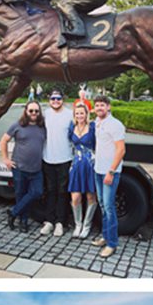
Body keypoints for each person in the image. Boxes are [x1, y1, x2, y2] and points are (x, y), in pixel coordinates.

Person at [0, 101, 46, 233]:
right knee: (20, 195)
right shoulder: (17, 125)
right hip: (19, 168)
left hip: (36, 169)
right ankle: (23, 221)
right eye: (31, 111)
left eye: (36, 111)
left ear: (39, 112)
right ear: (26, 111)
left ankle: (13, 212)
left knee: (37, 192)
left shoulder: (42, 127)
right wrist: (6, 159)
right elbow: (4, 140)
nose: (33, 113)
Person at [90, 95, 126, 259]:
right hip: (98, 170)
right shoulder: (98, 122)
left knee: (110, 208)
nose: (99, 108)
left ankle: (112, 243)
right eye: (97, 105)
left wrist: (111, 172)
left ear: (108, 107)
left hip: (109, 172)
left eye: (102, 105)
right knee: (103, 206)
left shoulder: (115, 125)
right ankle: (105, 236)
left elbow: (121, 150)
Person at [40, 89, 73, 236]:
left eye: (58, 98)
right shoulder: (45, 114)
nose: (55, 101)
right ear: (49, 100)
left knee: (62, 192)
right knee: (50, 191)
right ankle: (49, 221)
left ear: (63, 99)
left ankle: (60, 222)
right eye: (53, 98)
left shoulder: (69, 114)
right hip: (48, 158)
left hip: (65, 158)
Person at [67, 102, 97, 238]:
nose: (79, 115)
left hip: (90, 164)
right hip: (76, 164)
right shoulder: (72, 127)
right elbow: (69, 143)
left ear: (86, 114)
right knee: (75, 197)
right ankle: (77, 224)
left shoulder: (92, 127)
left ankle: (87, 226)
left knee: (91, 196)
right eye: (77, 113)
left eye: (82, 113)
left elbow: (98, 144)